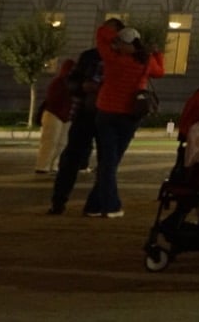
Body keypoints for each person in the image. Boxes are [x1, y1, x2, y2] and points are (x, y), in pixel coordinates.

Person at [86, 21, 164, 218]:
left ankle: (107, 205)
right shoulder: (145, 61)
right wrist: (156, 53)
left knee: (107, 161)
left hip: (107, 112)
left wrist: (114, 36)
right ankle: (96, 205)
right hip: (131, 115)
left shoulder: (113, 58)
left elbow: (100, 33)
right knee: (111, 161)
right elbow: (160, 72)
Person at [48, 28, 109, 215]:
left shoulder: (120, 59)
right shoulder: (89, 56)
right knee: (72, 157)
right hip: (87, 113)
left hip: (108, 115)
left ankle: (96, 204)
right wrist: (83, 87)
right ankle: (59, 200)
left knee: (106, 160)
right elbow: (71, 81)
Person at [35, 58, 76, 174]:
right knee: (50, 141)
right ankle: (42, 166)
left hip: (66, 116)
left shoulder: (71, 83)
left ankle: (54, 164)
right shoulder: (58, 82)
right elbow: (53, 100)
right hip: (54, 114)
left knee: (62, 142)